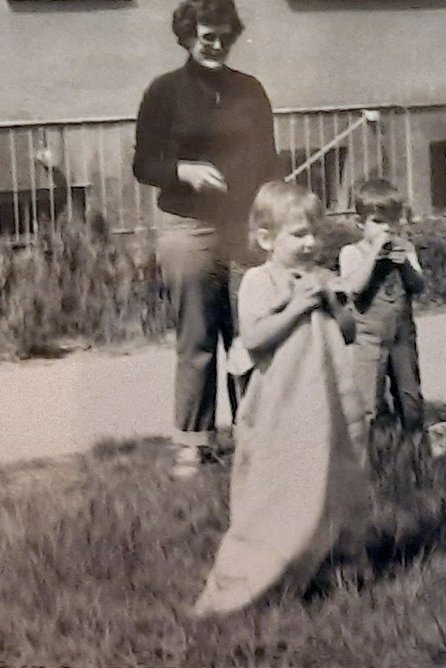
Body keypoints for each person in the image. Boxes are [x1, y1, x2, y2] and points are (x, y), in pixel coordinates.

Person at [193, 182, 370, 617]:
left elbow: (348, 332)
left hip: (328, 403)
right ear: (267, 238)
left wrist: (331, 300)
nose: (310, 243)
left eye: (316, 233)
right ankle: (268, 569)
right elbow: (253, 338)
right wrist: (295, 308)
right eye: (298, 235)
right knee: (281, 486)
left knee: (335, 480)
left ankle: (336, 564)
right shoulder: (259, 280)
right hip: (283, 404)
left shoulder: (322, 279)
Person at [133, 0, 281, 479]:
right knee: (197, 335)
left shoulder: (250, 90)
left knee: (250, 331)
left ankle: (254, 432)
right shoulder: (164, 92)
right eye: (206, 38)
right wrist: (183, 171)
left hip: (243, 225)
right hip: (187, 224)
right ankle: (193, 444)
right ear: (187, 37)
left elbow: (268, 160)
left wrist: (270, 217)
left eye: (224, 37)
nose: (216, 46)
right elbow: (144, 163)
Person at [338, 179, 426, 439]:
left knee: (410, 399)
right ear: (360, 224)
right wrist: (374, 253)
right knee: (367, 402)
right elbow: (353, 287)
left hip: (402, 336)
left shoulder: (405, 249)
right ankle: (368, 458)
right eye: (378, 221)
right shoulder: (352, 252)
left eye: (392, 220)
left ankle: (414, 453)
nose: (387, 228)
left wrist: (406, 267)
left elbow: (418, 286)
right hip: (368, 337)